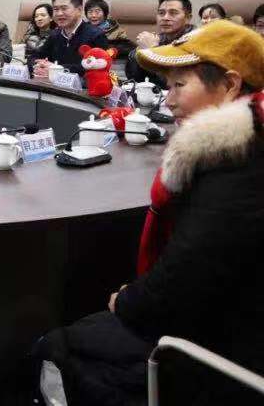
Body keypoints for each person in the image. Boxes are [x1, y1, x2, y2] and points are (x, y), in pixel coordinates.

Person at [36, 20, 264, 406]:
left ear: (229, 85)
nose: (168, 101)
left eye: (179, 86)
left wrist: (127, 301)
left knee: (56, 346)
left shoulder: (239, 166)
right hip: (225, 318)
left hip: (221, 353)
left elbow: (182, 280)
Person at [31, 0, 109, 77]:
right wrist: (38, 65)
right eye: (56, 9)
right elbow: (34, 57)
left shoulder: (96, 35)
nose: (59, 13)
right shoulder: (55, 35)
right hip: (52, 84)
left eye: (64, 8)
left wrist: (56, 69)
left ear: (79, 10)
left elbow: (97, 67)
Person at [125, 0, 194, 89]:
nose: (165, 18)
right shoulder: (158, 38)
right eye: (161, 13)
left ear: (188, 18)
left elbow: (175, 84)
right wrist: (139, 52)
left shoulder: (195, 43)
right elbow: (133, 78)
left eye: (173, 13)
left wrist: (152, 51)